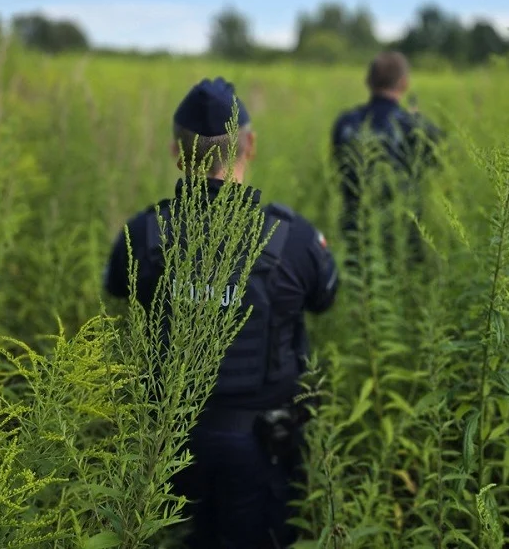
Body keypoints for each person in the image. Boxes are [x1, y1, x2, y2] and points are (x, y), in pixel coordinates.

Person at [102, 77, 340, 548]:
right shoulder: (292, 240)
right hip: (264, 448)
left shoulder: (144, 234)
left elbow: (118, 292)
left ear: (176, 151)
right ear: (249, 145)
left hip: (168, 448)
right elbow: (325, 298)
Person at [330, 50, 444, 264]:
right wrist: (416, 118)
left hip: (356, 235)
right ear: (404, 83)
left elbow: (337, 169)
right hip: (401, 237)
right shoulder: (415, 126)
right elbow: (439, 166)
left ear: (368, 81)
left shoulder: (345, 123)